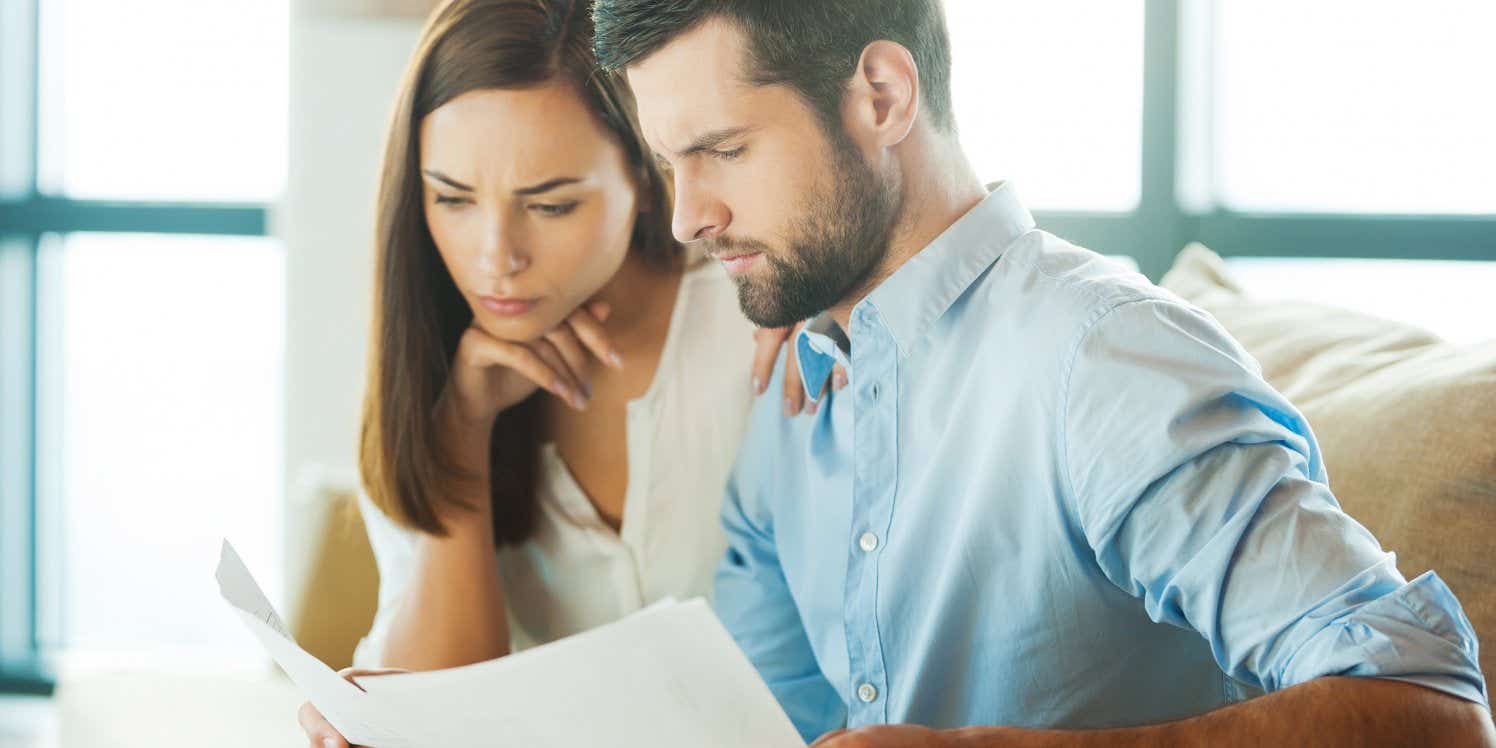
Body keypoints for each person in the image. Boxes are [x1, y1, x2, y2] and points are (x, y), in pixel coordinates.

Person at [592, 1, 1494, 745]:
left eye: (724, 150)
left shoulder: (1107, 360)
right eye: (671, 164)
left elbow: (1435, 713)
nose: (687, 218)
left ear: (881, 96)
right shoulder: (793, 399)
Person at [295, 0, 836, 744]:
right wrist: (462, 429)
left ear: (649, 176)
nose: (495, 257)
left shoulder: (767, 325)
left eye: (549, 206)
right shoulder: (431, 377)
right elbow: (434, 713)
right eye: (451, 198)